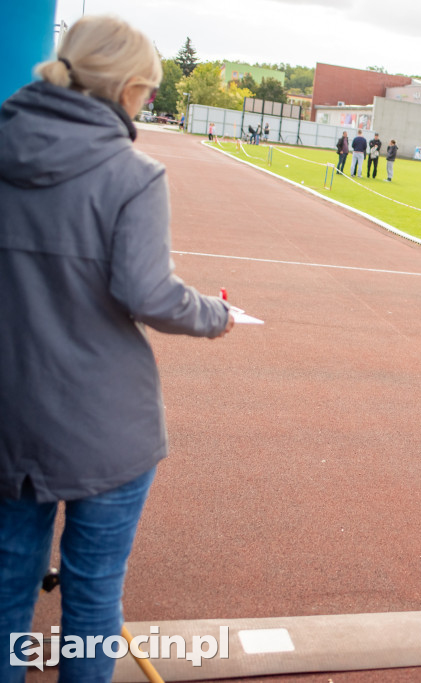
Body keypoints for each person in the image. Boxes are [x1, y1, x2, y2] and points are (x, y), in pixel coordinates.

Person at [0, 16, 234, 681]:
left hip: (10, 418)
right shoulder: (133, 174)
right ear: (129, 89)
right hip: (105, 427)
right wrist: (216, 315)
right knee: (94, 595)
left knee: (6, 593)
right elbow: (149, 293)